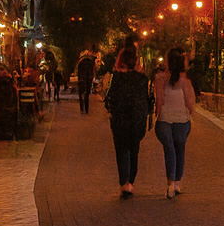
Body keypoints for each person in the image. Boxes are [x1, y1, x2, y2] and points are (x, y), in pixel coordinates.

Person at [105, 44, 152, 198]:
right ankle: (131, 182)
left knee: (121, 151)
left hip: (120, 119)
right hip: (137, 119)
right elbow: (146, 99)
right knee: (134, 151)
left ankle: (125, 183)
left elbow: (109, 98)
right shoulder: (142, 79)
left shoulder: (116, 78)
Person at [153, 47, 196, 199]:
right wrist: (189, 114)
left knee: (170, 150)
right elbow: (191, 103)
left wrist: (158, 115)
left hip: (165, 119)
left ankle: (171, 182)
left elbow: (159, 101)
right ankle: (176, 182)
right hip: (182, 121)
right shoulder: (185, 81)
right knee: (179, 150)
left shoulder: (160, 78)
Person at [75, 48, 98, 115]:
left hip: (81, 78)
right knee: (87, 94)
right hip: (88, 78)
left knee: (80, 94)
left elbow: (77, 71)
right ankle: (86, 109)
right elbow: (94, 70)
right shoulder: (90, 62)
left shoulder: (80, 62)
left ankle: (82, 108)